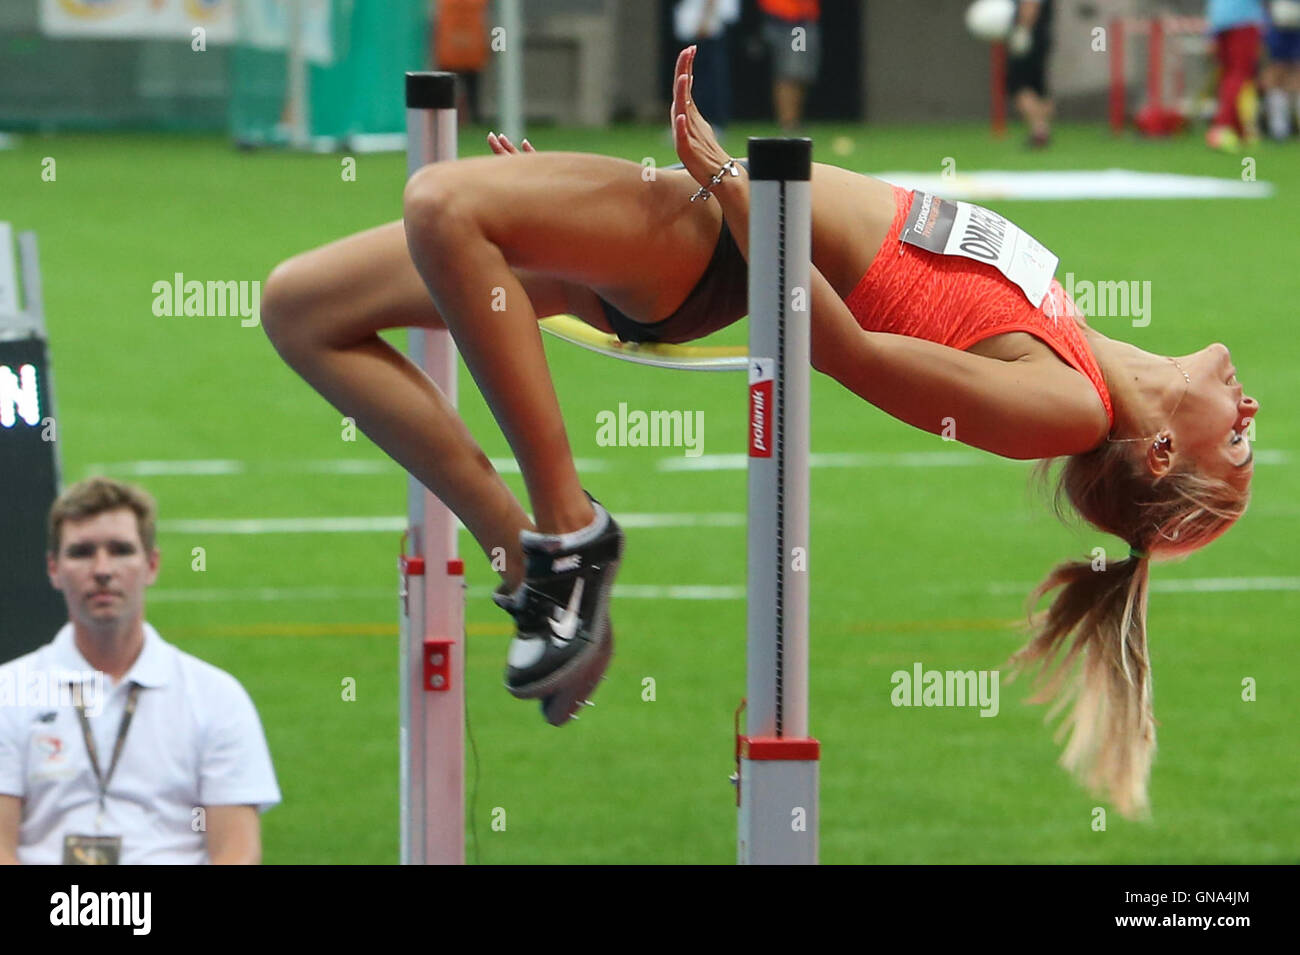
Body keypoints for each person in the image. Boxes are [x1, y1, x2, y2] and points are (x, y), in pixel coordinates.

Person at [260, 46, 1258, 816]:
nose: (1251, 412)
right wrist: (569, 215)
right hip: (702, 213)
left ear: (1162, 454)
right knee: (298, 308)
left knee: (440, 201)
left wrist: (741, 190)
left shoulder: (1068, 406)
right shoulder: (1084, 339)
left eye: (1239, 443)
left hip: (706, 241)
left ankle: (569, 532)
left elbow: (846, 352)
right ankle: (527, 550)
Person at [0, 478, 281, 864]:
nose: (102, 570)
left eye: (120, 551)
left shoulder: (217, 697)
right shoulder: (9, 692)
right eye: (82, 553)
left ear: (151, 565)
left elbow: (236, 852)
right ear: (54, 569)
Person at [674, 0, 741, 140]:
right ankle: (690, 123)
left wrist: (704, 21)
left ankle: (712, 123)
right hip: (695, 31)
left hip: (708, 32)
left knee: (710, 80)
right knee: (695, 79)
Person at [1205, 0, 1267, 151]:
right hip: (1243, 20)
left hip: (1219, 20)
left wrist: (1210, 33)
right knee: (1239, 75)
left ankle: (1239, 131)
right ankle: (1222, 127)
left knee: (1229, 75)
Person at [757, 0, 821, 131]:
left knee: (801, 73)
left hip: (803, 21)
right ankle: (788, 122)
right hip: (790, 22)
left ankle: (794, 120)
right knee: (790, 73)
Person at [1006, 0, 1055, 148]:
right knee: (1038, 88)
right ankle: (1042, 129)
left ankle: (1039, 130)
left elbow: (1030, 5)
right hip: (1041, 35)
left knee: (1019, 86)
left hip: (1031, 34)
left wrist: (1022, 30)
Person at [1261, 0, 1300, 138]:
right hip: (1276, 26)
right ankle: (1279, 127)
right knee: (1277, 72)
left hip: (1292, 27)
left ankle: (1282, 127)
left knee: (1294, 73)